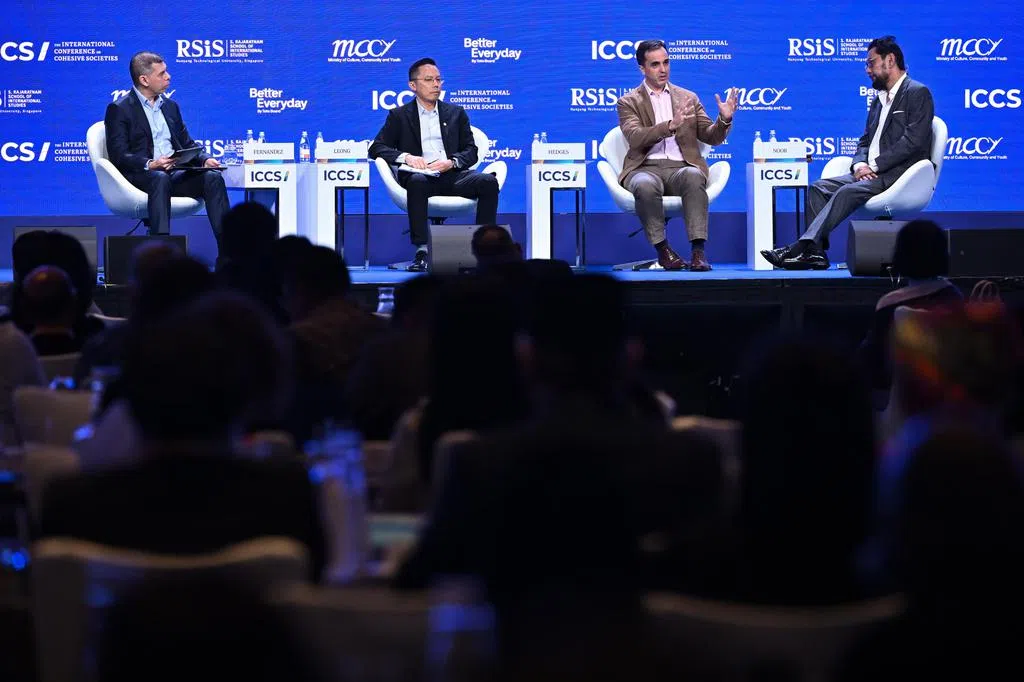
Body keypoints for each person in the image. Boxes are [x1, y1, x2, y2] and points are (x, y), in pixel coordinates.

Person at [762, 36, 934, 270]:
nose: (867, 70)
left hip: (898, 175)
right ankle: (816, 254)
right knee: (818, 188)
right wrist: (859, 165)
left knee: (846, 192)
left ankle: (798, 248)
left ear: (890, 60)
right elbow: (865, 140)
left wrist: (874, 166)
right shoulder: (878, 101)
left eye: (871, 63)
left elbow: (912, 142)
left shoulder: (917, 93)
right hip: (869, 173)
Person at [369, 57, 500, 272]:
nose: (436, 84)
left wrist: (452, 162)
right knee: (417, 182)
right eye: (429, 80)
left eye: (438, 80)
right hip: (420, 177)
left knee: (488, 182)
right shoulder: (399, 116)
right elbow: (376, 148)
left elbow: (471, 151)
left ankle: (485, 250)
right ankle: (422, 251)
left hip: (452, 175)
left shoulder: (456, 113)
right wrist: (407, 157)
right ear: (413, 85)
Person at [616, 39, 737, 272]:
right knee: (644, 184)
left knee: (693, 176)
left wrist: (724, 119)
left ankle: (698, 253)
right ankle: (664, 251)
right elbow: (635, 137)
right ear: (642, 68)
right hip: (644, 167)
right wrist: (669, 126)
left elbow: (711, 136)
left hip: (681, 167)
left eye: (666, 62)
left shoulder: (688, 98)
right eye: (655, 64)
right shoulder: (628, 102)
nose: (663, 69)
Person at [104, 51, 229, 254]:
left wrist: (204, 160)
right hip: (142, 176)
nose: (168, 77)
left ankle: (229, 253)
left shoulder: (170, 107)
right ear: (144, 80)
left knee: (212, 178)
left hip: (175, 173)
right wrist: (150, 164)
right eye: (162, 73)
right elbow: (119, 155)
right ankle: (159, 253)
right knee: (159, 177)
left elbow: (187, 143)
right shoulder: (120, 109)